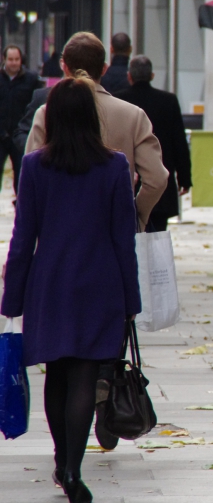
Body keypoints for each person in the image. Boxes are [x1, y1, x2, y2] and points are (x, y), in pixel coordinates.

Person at [1, 74, 141, 503]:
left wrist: (12, 297)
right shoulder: (114, 165)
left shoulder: (34, 166)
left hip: (51, 283)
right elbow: (124, 238)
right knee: (84, 375)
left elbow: (24, 238)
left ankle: (61, 461)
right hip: (100, 284)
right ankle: (74, 468)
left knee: (56, 375)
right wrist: (131, 299)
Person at [26, 32, 169, 229]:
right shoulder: (133, 115)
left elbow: (31, 178)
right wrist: (135, 213)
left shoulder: (46, 113)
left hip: (60, 224)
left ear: (64, 67)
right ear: (104, 68)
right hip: (113, 223)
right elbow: (157, 178)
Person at [114, 56, 192, 231]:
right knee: (157, 234)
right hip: (160, 179)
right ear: (152, 75)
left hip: (126, 178)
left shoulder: (118, 101)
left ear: (129, 76)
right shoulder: (168, 101)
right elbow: (178, 141)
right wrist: (184, 177)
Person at [0, 45, 41, 191]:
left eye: (17, 59)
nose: (14, 63)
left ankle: (20, 207)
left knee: (21, 176)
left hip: (20, 135)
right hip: (1, 135)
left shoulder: (31, 79)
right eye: (10, 59)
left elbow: (36, 105)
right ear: (4, 60)